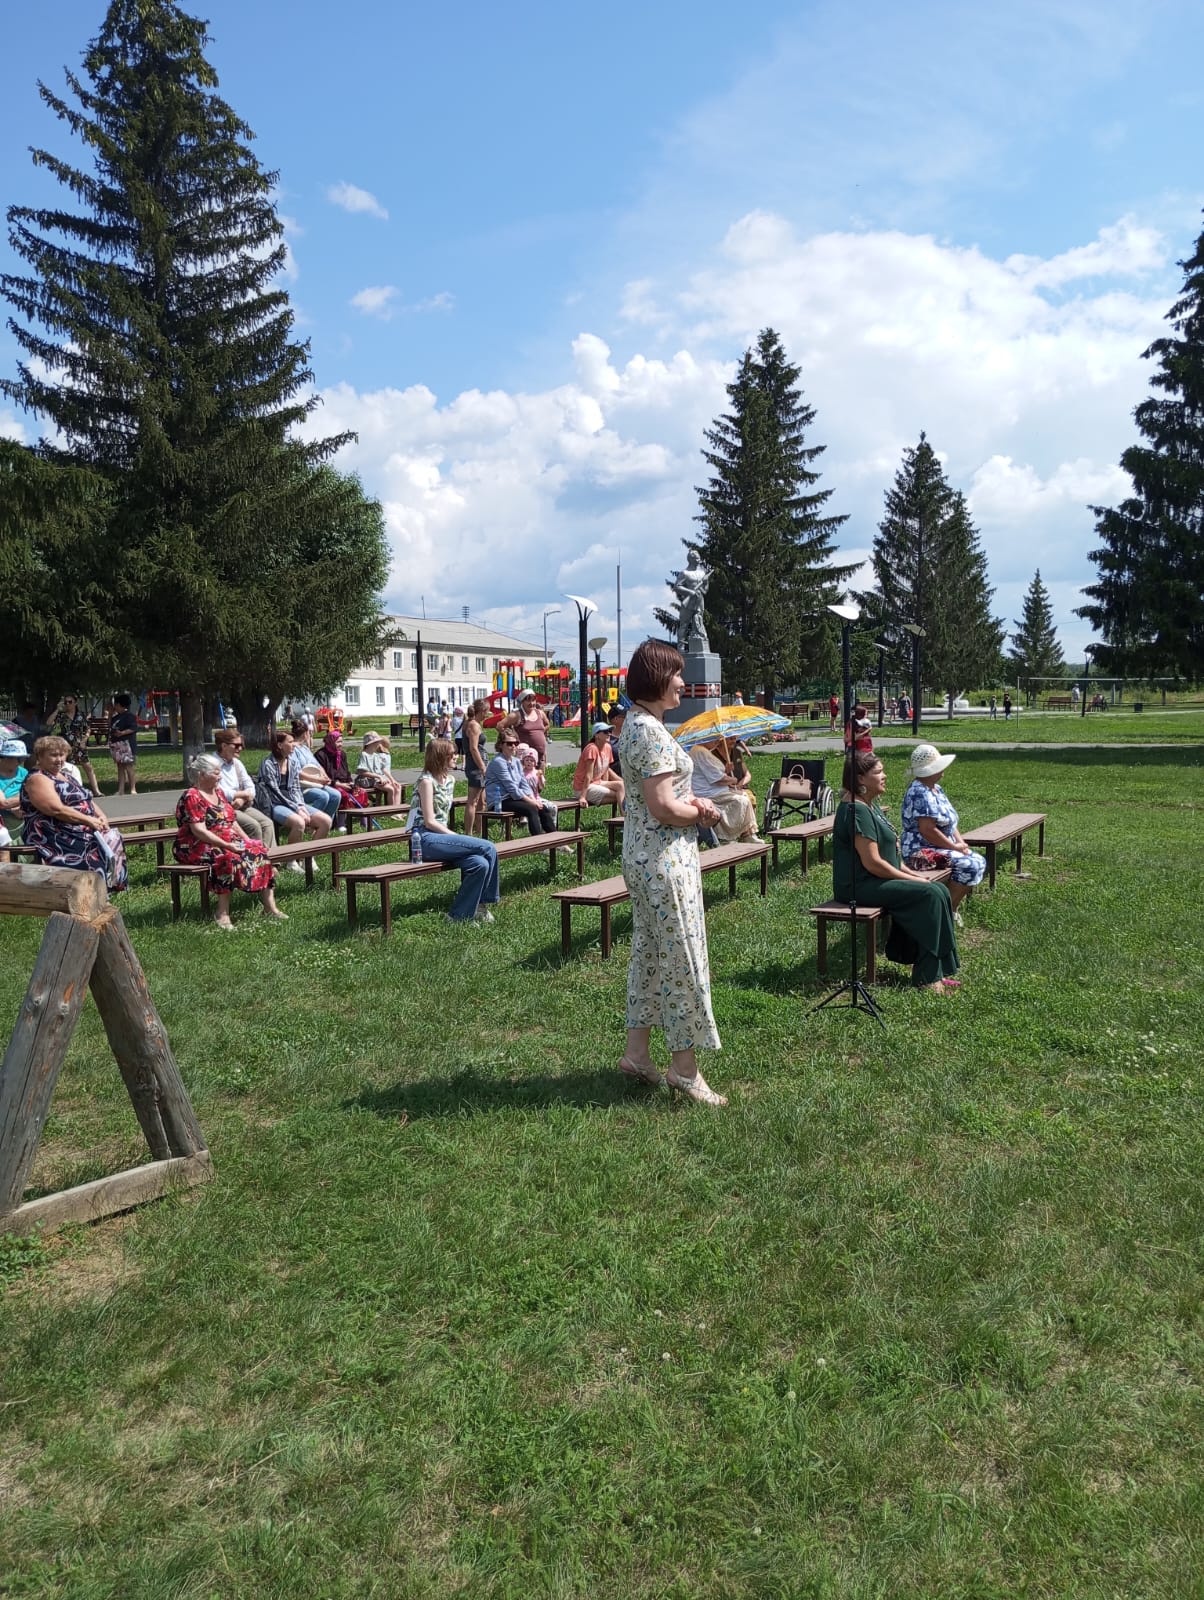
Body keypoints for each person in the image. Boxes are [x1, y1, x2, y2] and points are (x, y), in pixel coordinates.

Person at [617, 639, 727, 1105]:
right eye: (677, 675)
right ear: (658, 679)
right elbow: (663, 807)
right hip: (663, 860)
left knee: (650, 954)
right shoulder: (648, 731)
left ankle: (636, 1054)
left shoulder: (639, 725)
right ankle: (684, 1070)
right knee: (681, 959)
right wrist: (701, 809)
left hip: (648, 858)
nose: (683, 682)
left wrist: (689, 804)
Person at [833, 750, 959, 991]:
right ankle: (926, 978)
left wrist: (915, 876)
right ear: (860, 779)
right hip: (859, 885)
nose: (885, 776)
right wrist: (914, 882)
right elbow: (873, 863)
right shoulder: (854, 810)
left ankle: (937, 970)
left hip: (876, 880)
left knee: (939, 891)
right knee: (929, 895)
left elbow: (891, 857)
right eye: (878, 772)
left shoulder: (871, 805)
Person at [174, 754, 284, 928]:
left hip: (225, 840)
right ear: (202, 774)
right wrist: (226, 845)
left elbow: (231, 821)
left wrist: (248, 841)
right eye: (216, 773)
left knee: (259, 851)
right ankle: (222, 913)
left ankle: (270, 907)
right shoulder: (192, 796)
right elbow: (199, 831)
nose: (220, 776)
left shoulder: (218, 792)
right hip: (195, 845)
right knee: (226, 857)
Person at [407, 739, 500, 924]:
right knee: (488, 848)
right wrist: (456, 836)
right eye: (452, 753)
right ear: (440, 757)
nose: (456, 756)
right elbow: (429, 821)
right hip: (423, 839)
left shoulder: (449, 780)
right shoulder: (426, 781)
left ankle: (458, 916)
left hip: (441, 837)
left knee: (479, 864)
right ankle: (483, 904)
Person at [19, 735, 127, 889]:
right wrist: (88, 820)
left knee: (111, 840)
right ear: (40, 757)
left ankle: (104, 891)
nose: (59, 759)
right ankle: (83, 893)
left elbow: (86, 799)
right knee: (85, 848)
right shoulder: (38, 778)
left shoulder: (67, 776)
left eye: (62, 754)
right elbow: (55, 809)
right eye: (53, 755)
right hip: (52, 830)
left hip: (79, 826)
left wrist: (101, 816)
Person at [899, 744, 986, 925]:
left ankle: (947, 908)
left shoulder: (936, 789)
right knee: (969, 865)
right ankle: (946, 912)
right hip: (920, 851)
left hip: (939, 846)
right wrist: (954, 847)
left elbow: (950, 822)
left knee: (976, 859)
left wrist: (962, 845)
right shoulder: (919, 791)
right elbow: (927, 830)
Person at [255, 730, 331, 867]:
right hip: (274, 804)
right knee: (299, 823)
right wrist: (297, 809)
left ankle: (308, 857)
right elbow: (275, 792)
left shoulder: (293, 762)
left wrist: (301, 806)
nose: (294, 745)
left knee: (325, 821)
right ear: (279, 745)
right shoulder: (267, 764)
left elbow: (295, 788)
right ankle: (291, 860)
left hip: (294, 803)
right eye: (290, 742)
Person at [485, 729, 559, 835]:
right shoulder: (498, 762)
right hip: (500, 801)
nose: (513, 746)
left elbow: (524, 784)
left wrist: (534, 800)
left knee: (543, 808)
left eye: (516, 743)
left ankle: (556, 840)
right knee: (531, 809)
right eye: (510, 744)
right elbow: (512, 788)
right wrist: (532, 802)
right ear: (501, 745)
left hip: (514, 799)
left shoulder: (516, 762)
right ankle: (538, 843)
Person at [213, 728, 276, 848]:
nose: (240, 749)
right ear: (224, 746)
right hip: (223, 808)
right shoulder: (213, 764)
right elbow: (218, 791)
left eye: (241, 745)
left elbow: (250, 786)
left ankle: (271, 861)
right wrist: (241, 795)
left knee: (267, 823)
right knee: (254, 826)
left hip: (241, 805)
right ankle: (256, 861)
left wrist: (242, 799)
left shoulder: (236, 763)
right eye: (236, 745)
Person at [689, 738, 757, 841]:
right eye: (714, 738)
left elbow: (713, 773)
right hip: (709, 794)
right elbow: (717, 779)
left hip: (718, 790)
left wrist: (726, 770)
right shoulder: (700, 752)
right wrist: (733, 779)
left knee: (745, 796)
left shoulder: (705, 751)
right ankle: (728, 836)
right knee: (741, 800)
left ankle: (748, 833)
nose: (717, 740)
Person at [290, 718, 343, 829]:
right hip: (302, 786)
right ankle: (311, 825)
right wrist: (319, 780)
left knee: (336, 795)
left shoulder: (305, 748)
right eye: (309, 732)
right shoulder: (293, 749)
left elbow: (318, 765)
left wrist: (325, 776)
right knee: (322, 796)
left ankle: (326, 824)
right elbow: (297, 773)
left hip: (316, 783)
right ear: (305, 734)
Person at [50, 695, 102, 795]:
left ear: (75, 703)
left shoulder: (80, 715)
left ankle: (96, 791)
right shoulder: (62, 716)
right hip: (66, 746)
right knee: (68, 768)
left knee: (88, 767)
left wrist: (85, 740)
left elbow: (87, 728)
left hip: (79, 745)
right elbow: (49, 722)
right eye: (66, 702)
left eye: (70, 702)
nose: (68, 704)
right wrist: (57, 709)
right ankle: (70, 791)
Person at [573, 722, 625, 809]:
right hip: (583, 788)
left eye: (610, 731)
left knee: (622, 786)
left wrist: (609, 783)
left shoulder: (608, 747)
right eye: (605, 732)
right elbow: (588, 775)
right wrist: (582, 797)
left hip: (598, 783)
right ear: (596, 735)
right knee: (620, 794)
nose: (609, 734)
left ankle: (625, 817)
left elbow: (606, 770)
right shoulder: (592, 748)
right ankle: (625, 817)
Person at [461, 699, 490, 836]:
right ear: (482, 711)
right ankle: (469, 833)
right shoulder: (473, 725)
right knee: (473, 800)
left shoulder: (473, 723)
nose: (488, 714)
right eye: (486, 711)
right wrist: (482, 766)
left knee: (481, 801)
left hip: (479, 764)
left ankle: (480, 830)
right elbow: (473, 748)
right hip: (476, 766)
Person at [0, 737, 29, 862]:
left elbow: (33, 793)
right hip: (3, 821)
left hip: (23, 818)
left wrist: (22, 805)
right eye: (19, 758)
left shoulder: (23, 772)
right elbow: (2, 803)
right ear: (5, 758)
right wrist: (13, 809)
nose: (21, 761)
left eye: (22, 758)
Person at [356, 732, 403, 804]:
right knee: (390, 789)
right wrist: (379, 776)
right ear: (371, 743)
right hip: (367, 780)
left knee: (398, 787)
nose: (379, 744)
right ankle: (392, 810)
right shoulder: (364, 755)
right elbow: (362, 772)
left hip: (377, 779)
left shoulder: (376, 755)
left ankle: (398, 812)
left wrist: (392, 780)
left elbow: (383, 769)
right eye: (377, 742)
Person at [108, 694, 140, 795]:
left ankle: (133, 788)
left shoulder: (129, 716)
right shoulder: (116, 717)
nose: (115, 707)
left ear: (119, 704)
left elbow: (133, 728)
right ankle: (121, 789)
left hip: (126, 744)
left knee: (128, 766)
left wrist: (122, 733)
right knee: (120, 766)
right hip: (116, 744)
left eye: (116, 705)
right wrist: (110, 714)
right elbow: (110, 725)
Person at [514, 690, 551, 769]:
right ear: (522, 702)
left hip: (540, 758)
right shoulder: (517, 715)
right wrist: (513, 739)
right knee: (526, 779)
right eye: (528, 700)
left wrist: (540, 733)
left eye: (533, 700)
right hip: (526, 759)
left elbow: (547, 724)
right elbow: (500, 726)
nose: (531, 703)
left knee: (539, 780)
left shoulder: (540, 713)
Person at [608, 704, 626, 779]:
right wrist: (620, 781)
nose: (627, 719)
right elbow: (602, 765)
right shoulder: (605, 738)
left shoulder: (628, 735)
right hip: (615, 780)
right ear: (615, 719)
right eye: (624, 717)